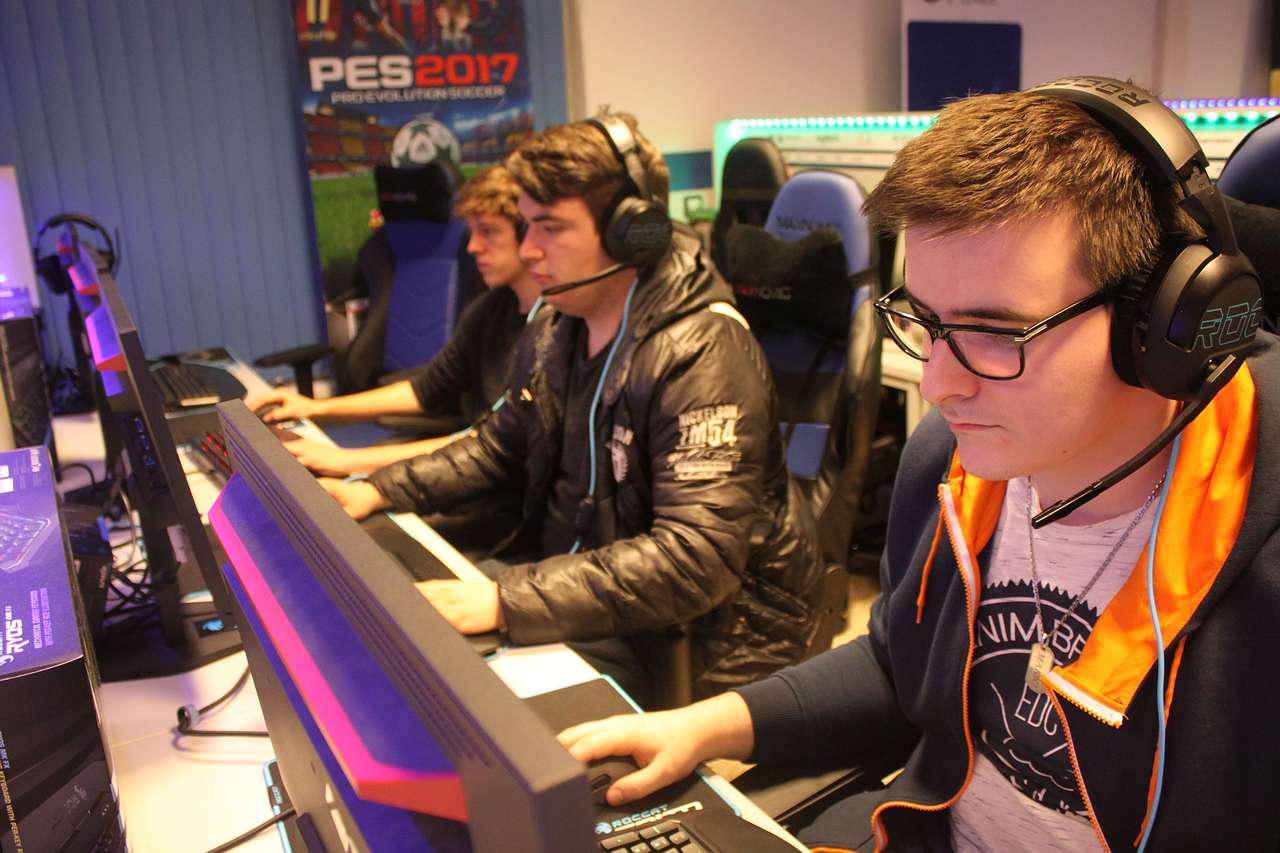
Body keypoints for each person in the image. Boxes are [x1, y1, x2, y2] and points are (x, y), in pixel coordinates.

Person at [557, 81, 1279, 851]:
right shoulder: (954, 460)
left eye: (995, 332)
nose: (938, 384)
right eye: (926, 321)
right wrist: (703, 726)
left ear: (1160, 322)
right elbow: (897, 662)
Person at [319, 113, 823, 706]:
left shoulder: (703, 353)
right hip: (571, 582)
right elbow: (496, 447)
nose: (529, 249)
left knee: (426, 693)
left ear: (634, 232)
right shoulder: (557, 323)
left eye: (551, 228)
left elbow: (695, 559)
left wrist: (507, 600)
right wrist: (377, 489)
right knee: (374, 628)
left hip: (694, 633)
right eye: (527, 225)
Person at [247, 165, 540, 477]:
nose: (473, 246)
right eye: (472, 232)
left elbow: (493, 444)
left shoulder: (551, 331)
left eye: (489, 232)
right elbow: (424, 390)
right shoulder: (489, 310)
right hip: (473, 460)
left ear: (529, 234)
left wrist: (346, 460)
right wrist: (316, 408)